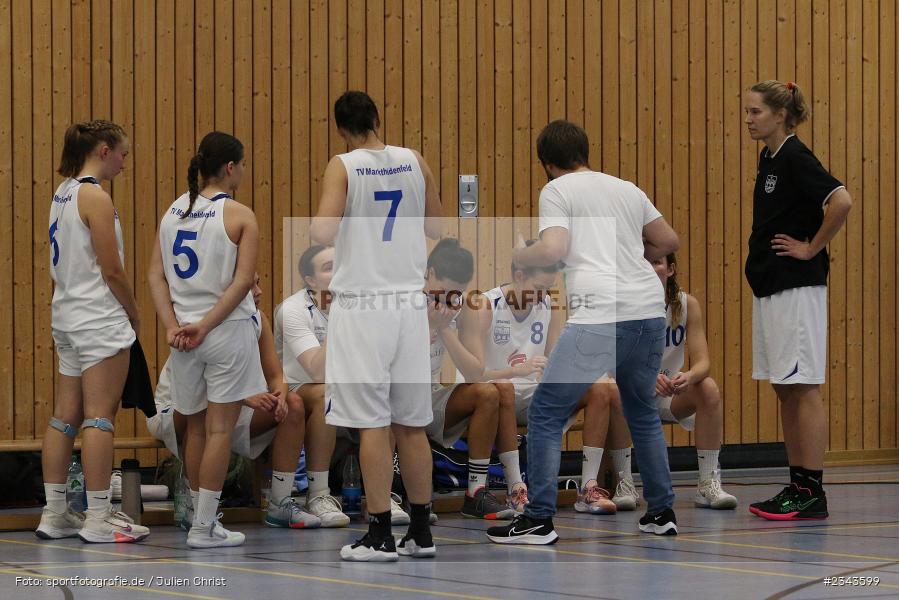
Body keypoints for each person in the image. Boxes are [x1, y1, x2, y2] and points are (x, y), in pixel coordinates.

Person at [487, 119, 680, 545]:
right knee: (642, 412)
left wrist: (525, 252)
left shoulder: (557, 190)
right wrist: (632, 253)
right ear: (585, 152)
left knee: (545, 413)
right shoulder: (627, 188)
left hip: (600, 314)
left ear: (547, 164)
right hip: (648, 311)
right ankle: (662, 512)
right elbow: (668, 239)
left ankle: (537, 518)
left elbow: (554, 249)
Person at [311, 91, 442, 561]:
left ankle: (380, 533)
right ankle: (422, 532)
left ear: (341, 128)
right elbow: (438, 225)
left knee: (370, 423)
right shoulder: (414, 159)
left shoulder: (343, 164)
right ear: (377, 119)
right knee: (411, 423)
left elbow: (321, 233)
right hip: (408, 302)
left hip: (364, 305)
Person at [149, 131, 273, 548]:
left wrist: (172, 324)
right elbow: (242, 284)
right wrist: (207, 324)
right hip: (224, 331)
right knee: (221, 431)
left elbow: (154, 275)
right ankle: (204, 526)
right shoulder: (240, 215)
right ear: (231, 168)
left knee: (196, 430)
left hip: (183, 336)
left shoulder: (171, 213)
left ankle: (196, 521)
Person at [744, 80, 852, 520]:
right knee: (784, 387)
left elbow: (842, 201)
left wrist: (812, 248)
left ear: (781, 115)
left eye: (755, 112)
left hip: (797, 286)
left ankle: (813, 489)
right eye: (746, 112)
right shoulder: (769, 157)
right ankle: (797, 485)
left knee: (803, 385)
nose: (748, 119)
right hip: (772, 285)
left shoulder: (795, 156)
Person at [37, 120, 149, 543]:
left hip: (66, 314)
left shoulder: (61, 194)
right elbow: (112, 268)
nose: (124, 162)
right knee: (100, 418)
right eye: (122, 153)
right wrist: (134, 313)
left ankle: (55, 512)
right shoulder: (95, 197)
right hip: (98, 317)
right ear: (103, 150)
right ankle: (100, 518)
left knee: (64, 417)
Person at [147, 273, 319, 530]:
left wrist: (280, 394)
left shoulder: (258, 319)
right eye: (251, 285)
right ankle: (199, 508)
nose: (259, 291)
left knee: (293, 404)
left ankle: (280, 504)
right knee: (203, 414)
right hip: (178, 406)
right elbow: (199, 390)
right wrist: (244, 396)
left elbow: (275, 375)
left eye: (259, 283)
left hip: (232, 406)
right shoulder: (202, 322)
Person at [588, 253, 738, 512]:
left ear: (670, 269)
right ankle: (625, 483)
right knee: (615, 386)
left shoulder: (687, 304)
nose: (650, 267)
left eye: (656, 262)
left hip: (669, 393)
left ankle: (708, 484)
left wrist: (689, 376)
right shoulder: (620, 304)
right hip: (631, 393)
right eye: (644, 262)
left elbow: (703, 361)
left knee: (709, 388)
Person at [422, 238, 513, 520]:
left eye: (457, 293)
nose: (450, 298)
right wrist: (428, 327)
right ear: (431, 273)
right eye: (444, 290)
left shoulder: (461, 307)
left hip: (430, 396)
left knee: (487, 392)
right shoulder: (403, 300)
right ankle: (397, 494)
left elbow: (475, 372)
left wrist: (445, 330)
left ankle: (475, 491)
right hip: (394, 394)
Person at [274, 244, 351, 527]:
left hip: (346, 388)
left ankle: (387, 495)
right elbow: (316, 370)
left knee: (387, 393)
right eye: (329, 267)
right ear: (310, 280)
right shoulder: (292, 310)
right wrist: (342, 316)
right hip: (297, 391)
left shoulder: (360, 304)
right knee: (324, 392)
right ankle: (319, 494)